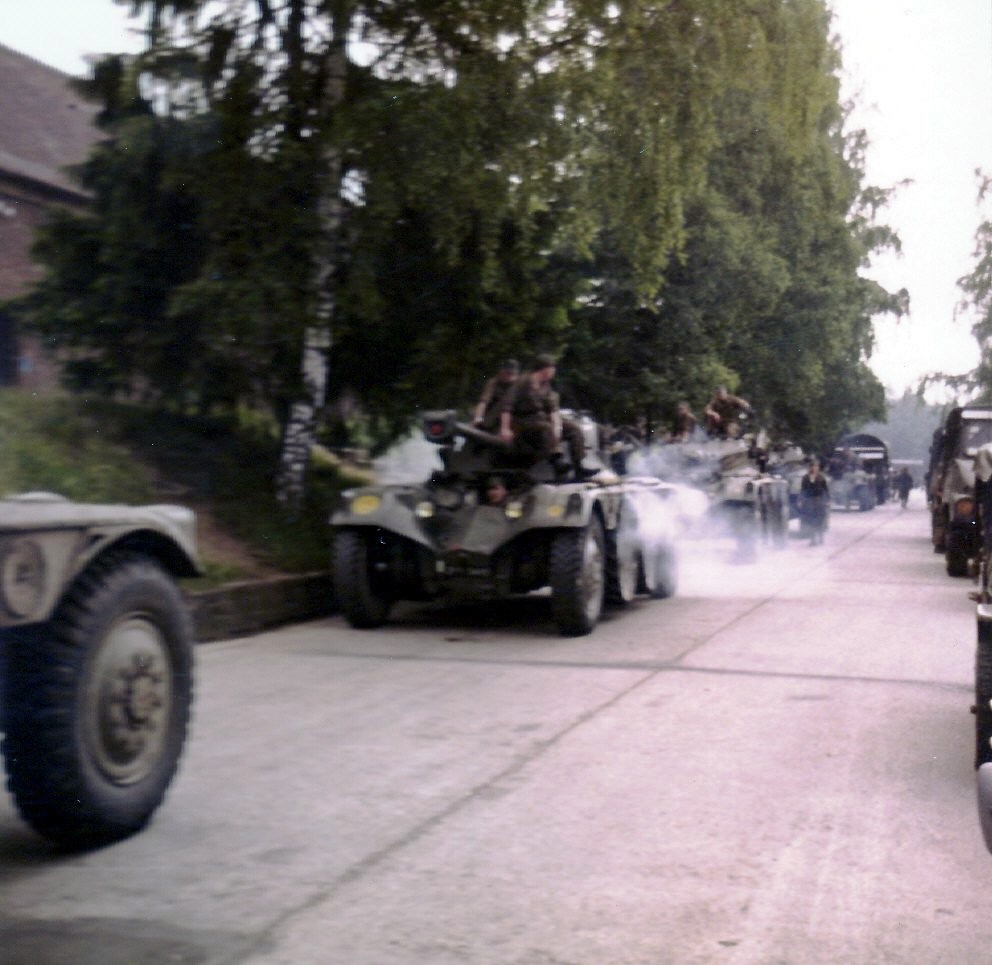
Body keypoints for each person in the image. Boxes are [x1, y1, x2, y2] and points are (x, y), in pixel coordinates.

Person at [499, 353, 586, 472]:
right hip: (523, 420)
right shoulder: (522, 382)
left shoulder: (546, 385)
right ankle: (556, 462)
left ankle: (579, 466)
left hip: (542, 419)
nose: (553, 372)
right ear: (544, 369)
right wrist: (505, 429)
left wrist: (558, 427)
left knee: (573, 428)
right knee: (546, 428)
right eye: (552, 369)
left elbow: (553, 409)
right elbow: (507, 407)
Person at [472, 359, 520, 432]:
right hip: (487, 419)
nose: (508, 376)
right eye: (507, 373)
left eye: (511, 374)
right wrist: (478, 418)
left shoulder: (517, 388)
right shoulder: (494, 383)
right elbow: (483, 401)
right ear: (501, 371)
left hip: (506, 423)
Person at [800, 458, 830, 545]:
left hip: (819, 500)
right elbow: (803, 489)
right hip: (809, 501)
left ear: (818, 467)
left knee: (819, 519)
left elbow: (825, 490)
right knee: (811, 520)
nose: (813, 468)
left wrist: (827, 500)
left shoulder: (821, 478)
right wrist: (801, 499)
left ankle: (820, 536)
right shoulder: (805, 478)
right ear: (809, 467)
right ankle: (813, 539)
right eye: (812, 466)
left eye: (815, 466)